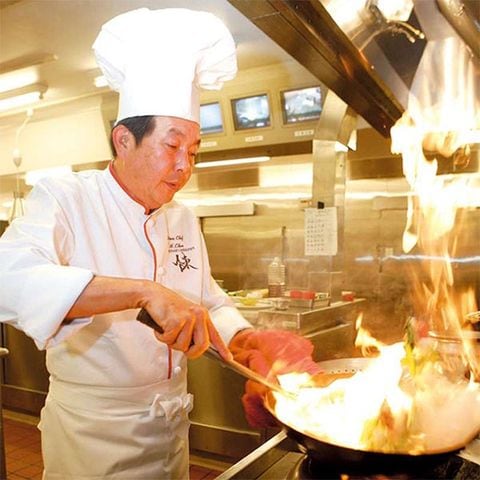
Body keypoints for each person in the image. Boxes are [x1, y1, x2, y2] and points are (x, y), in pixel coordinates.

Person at [0, 8, 319, 479]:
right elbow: (8, 280)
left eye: (193, 152)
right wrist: (143, 292)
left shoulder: (181, 218)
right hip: (93, 440)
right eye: (171, 147)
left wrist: (244, 338)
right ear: (123, 140)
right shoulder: (66, 198)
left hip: (171, 430)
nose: (184, 166)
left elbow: (206, 301)